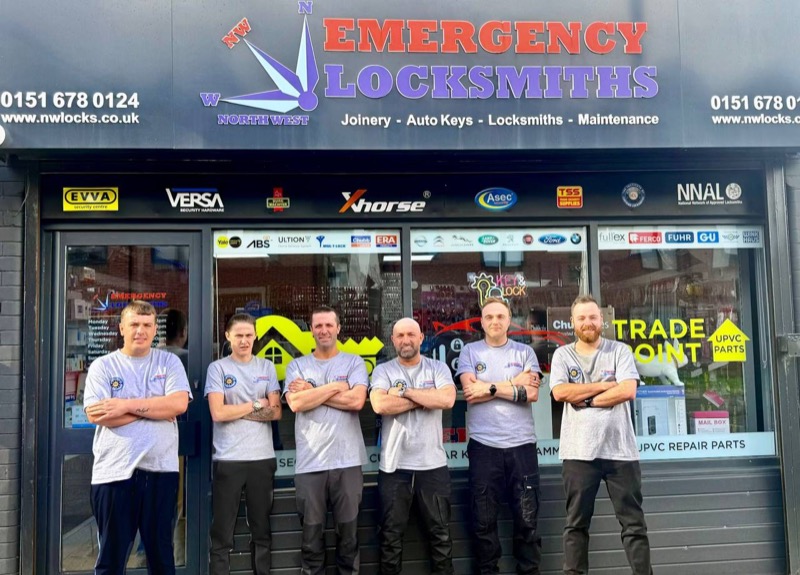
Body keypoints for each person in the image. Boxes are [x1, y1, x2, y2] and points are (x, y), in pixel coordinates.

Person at [83, 300, 192, 575]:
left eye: (146, 325)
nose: (140, 330)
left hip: (161, 472)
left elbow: (178, 404)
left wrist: (124, 405)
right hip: (114, 474)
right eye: (134, 324)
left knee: (162, 560)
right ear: (122, 328)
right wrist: (155, 409)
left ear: (155, 329)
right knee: (111, 561)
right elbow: (97, 415)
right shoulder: (103, 366)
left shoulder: (169, 362)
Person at [550, 294, 652, 575]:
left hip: (621, 451)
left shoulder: (620, 351)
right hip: (578, 453)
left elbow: (627, 390)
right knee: (576, 525)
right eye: (582, 318)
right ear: (572, 322)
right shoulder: (563, 355)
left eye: (593, 317)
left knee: (634, 525)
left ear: (602, 320)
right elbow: (560, 392)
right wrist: (605, 386)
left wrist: (586, 399)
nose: (588, 322)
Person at [455, 297, 543, 575]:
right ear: (481, 322)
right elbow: (471, 393)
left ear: (509, 321)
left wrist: (489, 388)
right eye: (489, 317)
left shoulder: (525, 353)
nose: (495, 321)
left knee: (527, 519)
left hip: (522, 446)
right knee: (483, 521)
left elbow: (531, 394)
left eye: (500, 316)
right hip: (484, 447)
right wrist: (512, 383)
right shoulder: (470, 352)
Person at [283, 305, 369, 575]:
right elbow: (296, 403)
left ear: (338, 328)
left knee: (349, 540)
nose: (324, 330)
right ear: (311, 330)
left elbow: (356, 401)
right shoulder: (297, 365)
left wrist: (313, 391)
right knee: (311, 542)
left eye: (329, 325)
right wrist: (334, 387)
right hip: (311, 465)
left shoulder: (354, 362)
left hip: (348, 462)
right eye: (318, 326)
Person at [370, 317, 457, 575]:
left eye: (411, 334)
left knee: (441, 537)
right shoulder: (383, 371)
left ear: (421, 338)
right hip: (394, 467)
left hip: (433, 466)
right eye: (400, 335)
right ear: (392, 340)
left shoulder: (438, 368)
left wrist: (404, 392)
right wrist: (427, 399)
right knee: (390, 539)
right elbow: (380, 405)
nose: (405, 340)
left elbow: (447, 399)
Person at [205, 313, 282, 575]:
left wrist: (236, 410)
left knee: (261, 532)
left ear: (256, 335)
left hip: (262, 458)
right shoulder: (218, 369)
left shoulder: (266, 367)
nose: (244, 340)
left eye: (249, 335)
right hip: (228, 459)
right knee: (221, 534)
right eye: (238, 335)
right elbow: (218, 413)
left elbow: (276, 412)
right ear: (228, 336)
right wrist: (256, 404)